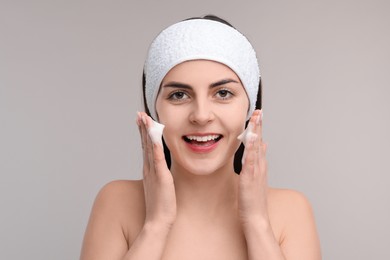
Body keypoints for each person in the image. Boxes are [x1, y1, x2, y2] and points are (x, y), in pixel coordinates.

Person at [80, 15, 321, 260]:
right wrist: (156, 225)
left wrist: (257, 223)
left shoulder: (291, 210)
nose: (201, 116)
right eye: (179, 95)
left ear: (250, 109)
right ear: (154, 111)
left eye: (223, 93)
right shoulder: (117, 203)